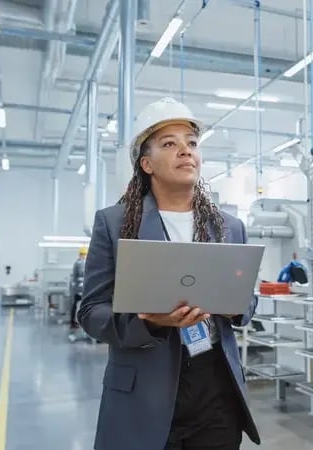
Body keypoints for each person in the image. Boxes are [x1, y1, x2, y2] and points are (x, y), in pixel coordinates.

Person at [78, 97, 260, 450]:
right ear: (146, 163)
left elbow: (247, 303)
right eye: (169, 144)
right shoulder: (115, 224)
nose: (185, 151)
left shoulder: (229, 227)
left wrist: (230, 305)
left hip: (215, 393)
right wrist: (152, 323)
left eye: (191, 144)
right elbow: (90, 313)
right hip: (144, 394)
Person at [69, 246, 87, 329]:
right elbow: (82, 273)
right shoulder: (79, 263)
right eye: (84, 254)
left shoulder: (79, 262)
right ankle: (74, 322)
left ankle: (74, 322)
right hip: (79, 288)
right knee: (76, 305)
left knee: (76, 305)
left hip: (78, 288)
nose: (84, 256)